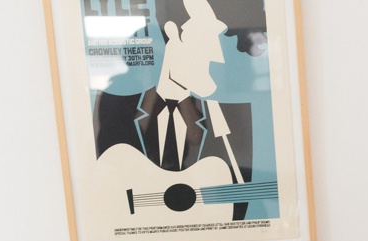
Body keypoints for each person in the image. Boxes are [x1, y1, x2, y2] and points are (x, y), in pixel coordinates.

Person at [92, 0, 256, 218]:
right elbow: (123, 145)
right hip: (132, 181)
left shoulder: (177, 89)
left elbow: (196, 136)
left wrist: (178, 90)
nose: (158, 64)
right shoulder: (117, 92)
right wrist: (151, 88)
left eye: (163, 57)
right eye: (153, 57)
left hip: (174, 175)